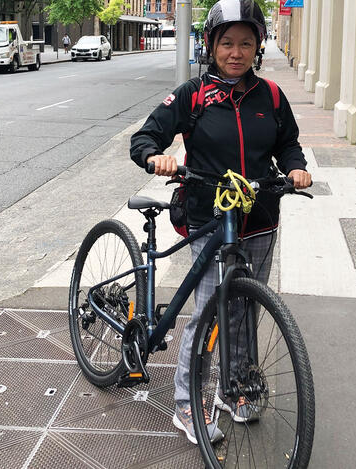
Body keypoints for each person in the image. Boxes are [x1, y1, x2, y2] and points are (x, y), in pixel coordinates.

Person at [130, 0, 311, 445]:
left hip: (259, 218)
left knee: (245, 306)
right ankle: (187, 405)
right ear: (211, 45)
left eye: (246, 43)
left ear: (258, 46)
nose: (236, 52)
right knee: (209, 314)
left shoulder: (270, 96)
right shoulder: (193, 94)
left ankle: (236, 390)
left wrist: (295, 168)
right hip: (210, 219)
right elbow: (145, 137)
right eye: (227, 42)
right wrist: (156, 157)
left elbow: (288, 143)